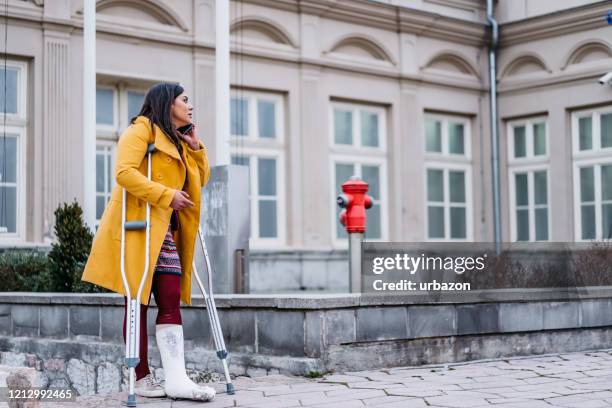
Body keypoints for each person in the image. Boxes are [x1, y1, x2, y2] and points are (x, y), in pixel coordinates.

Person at [81, 83, 215, 401]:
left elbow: (200, 180)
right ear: (168, 103)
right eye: (185, 100)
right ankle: (141, 377)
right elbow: (124, 172)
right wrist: (166, 195)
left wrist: (196, 148)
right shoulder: (141, 130)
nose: (190, 106)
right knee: (137, 301)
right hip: (138, 228)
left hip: (166, 232)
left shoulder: (180, 141)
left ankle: (176, 378)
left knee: (169, 296)